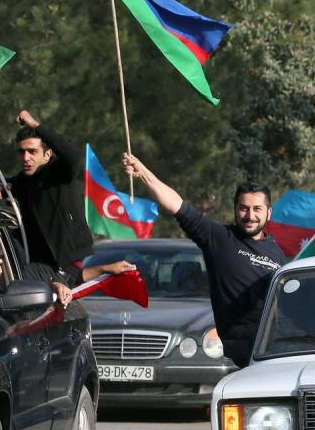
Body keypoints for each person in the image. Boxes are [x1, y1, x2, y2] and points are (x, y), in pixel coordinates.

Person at [122, 153, 286, 367]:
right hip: (246, 351)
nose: (250, 215)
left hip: (279, 347)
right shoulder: (219, 238)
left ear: (269, 213)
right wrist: (142, 172)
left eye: (257, 209)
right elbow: (177, 206)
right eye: (244, 208)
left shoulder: (277, 253)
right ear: (235, 209)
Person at [0, 110, 133, 290]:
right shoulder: (24, 182)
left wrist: (35, 126)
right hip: (41, 263)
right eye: (21, 152)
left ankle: (103, 269)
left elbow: (73, 157)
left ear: (47, 155)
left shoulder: (58, 174)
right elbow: (1, 183)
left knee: (13, 281)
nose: (26, 158)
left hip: (67, 260)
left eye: (32, 151)